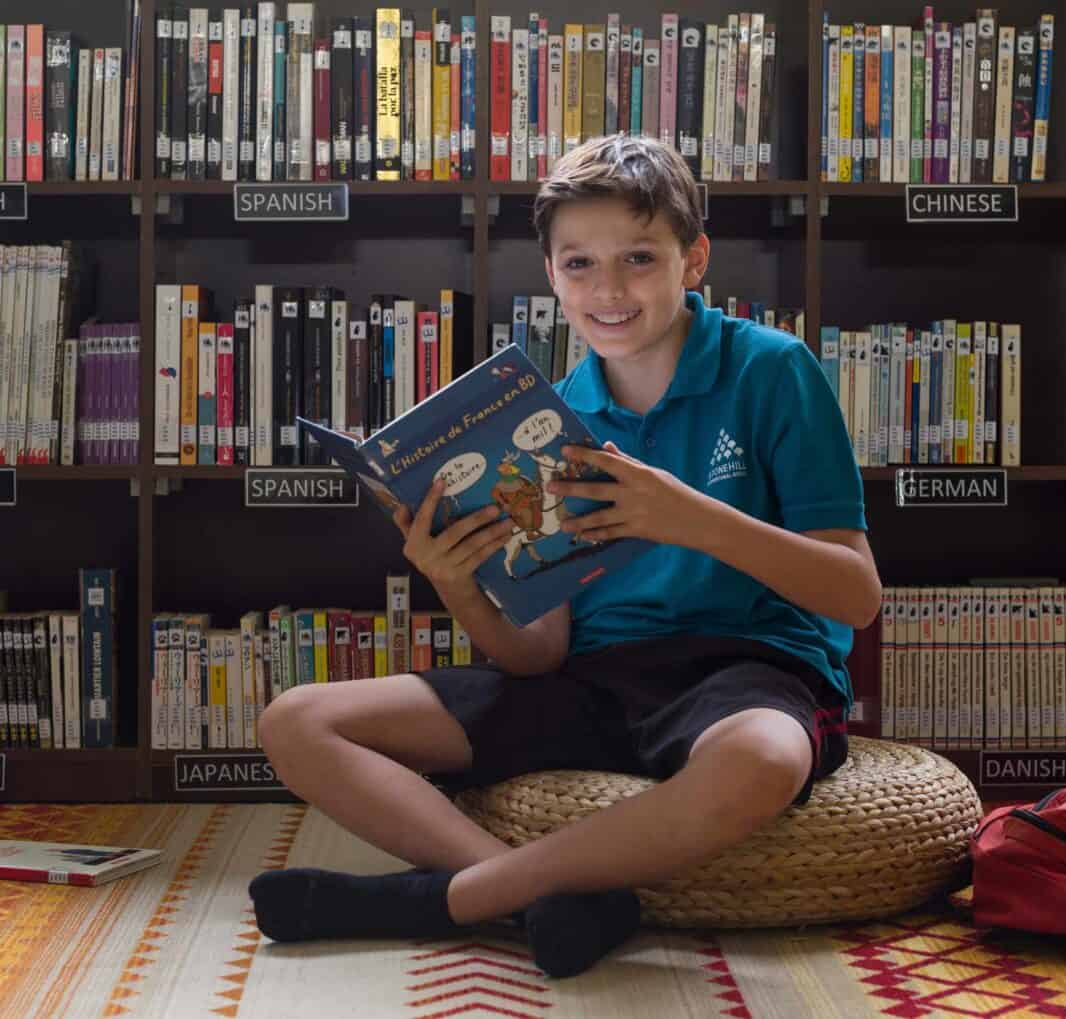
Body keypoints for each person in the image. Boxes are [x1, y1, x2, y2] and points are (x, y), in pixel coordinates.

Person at [248, 134, 880, 979]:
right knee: (297, 721)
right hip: (594, 677)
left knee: (764, 758)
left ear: (693, 261)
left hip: (747, 668)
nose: (608, 291)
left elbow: (855, 594)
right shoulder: (548, 414)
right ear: (550, 275)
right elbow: (536, 650)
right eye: (579, 264)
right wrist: (455, 582)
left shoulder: (771, 370)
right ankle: (542, 897)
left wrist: (685, 516)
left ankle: (452, 897)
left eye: (639, 259)